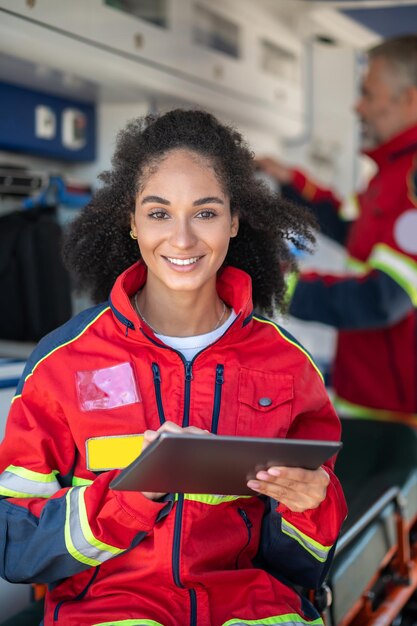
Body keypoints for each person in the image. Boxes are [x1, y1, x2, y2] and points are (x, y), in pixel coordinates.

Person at [0, 109, 346, 626]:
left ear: (234, 221)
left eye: (204, 213)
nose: (182, 239)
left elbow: (300, 566)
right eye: (159, 213)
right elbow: (17, 549)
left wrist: (310, 508)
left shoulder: (288, 366)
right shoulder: (64, 360)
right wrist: (126, 500)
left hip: (253, 610)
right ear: (132, 223)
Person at [257, 34, 417, 425]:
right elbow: (354, 232)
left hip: (396, 413)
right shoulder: (391, 174)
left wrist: (276, 287)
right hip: (368, 396)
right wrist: (293, 184)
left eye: (368, 94)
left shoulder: (410, 180)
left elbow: (384, 299)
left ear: (410, 100)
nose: (357, 106)